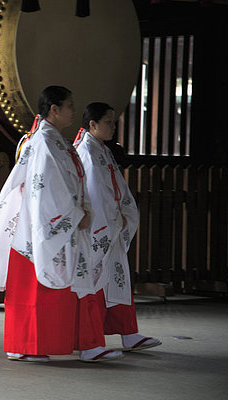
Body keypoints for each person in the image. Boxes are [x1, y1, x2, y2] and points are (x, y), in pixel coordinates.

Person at [0, 86, 123, 362]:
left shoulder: (54, 140)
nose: (73, 111)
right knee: (36, 293)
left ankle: (80, 343)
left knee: (70, 287)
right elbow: (45, 190)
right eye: (69, 105)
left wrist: (78, 213)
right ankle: (26, 345)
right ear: (54, 109)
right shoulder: (43, 142)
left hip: (59, 222)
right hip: (42, 227)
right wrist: (75, 216)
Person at [73, 102, 162, 352]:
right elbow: (93, 194)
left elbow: (113, 189)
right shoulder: (86, 151)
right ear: (93, 124)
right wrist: (113, 219)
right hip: (98, 227)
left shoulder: (100, 149)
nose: (113, 127)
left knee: (117, 278)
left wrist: (122, 214)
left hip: (110, 223)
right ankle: (88, 342)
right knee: (94, 281)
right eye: (108, 122)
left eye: (114, 121)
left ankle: (128, 333)